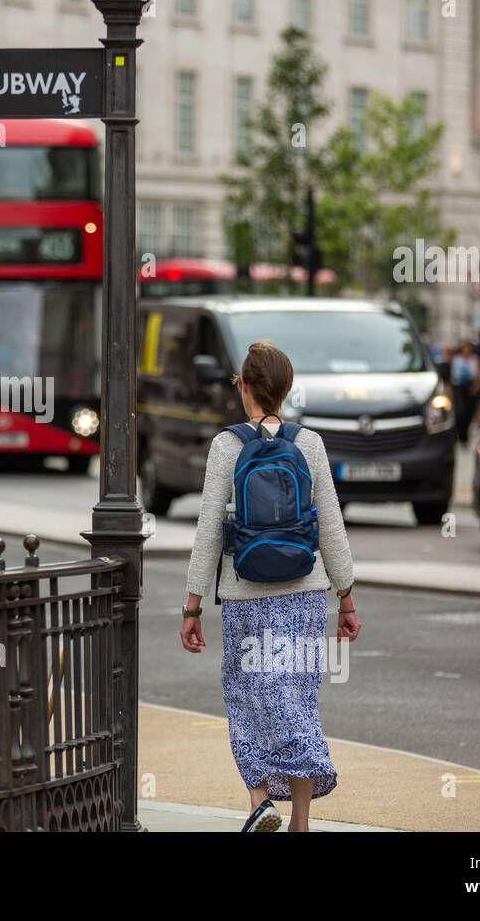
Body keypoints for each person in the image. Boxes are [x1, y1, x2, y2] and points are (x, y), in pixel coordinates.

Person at [181, 340, 360, 833]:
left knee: (247, 696)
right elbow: (332, 528)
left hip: (244, 593)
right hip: (306, 592)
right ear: (286, 389)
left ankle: (261, 802)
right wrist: (345, 596)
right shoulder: (310, 444)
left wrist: (192, 606)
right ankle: (301, 821)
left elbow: (208, 532)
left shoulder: (226, 445)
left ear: (243, 386)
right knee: (296, 698)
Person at [449, 340, 480, 445]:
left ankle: (465, 432)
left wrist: (476, 386)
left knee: (469, 411)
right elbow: (453, 374)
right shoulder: (456, 359)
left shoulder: (475, 359)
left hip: (471, 387)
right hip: (459, 388)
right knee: (460, 412)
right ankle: (461, 434)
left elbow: (478, 374)